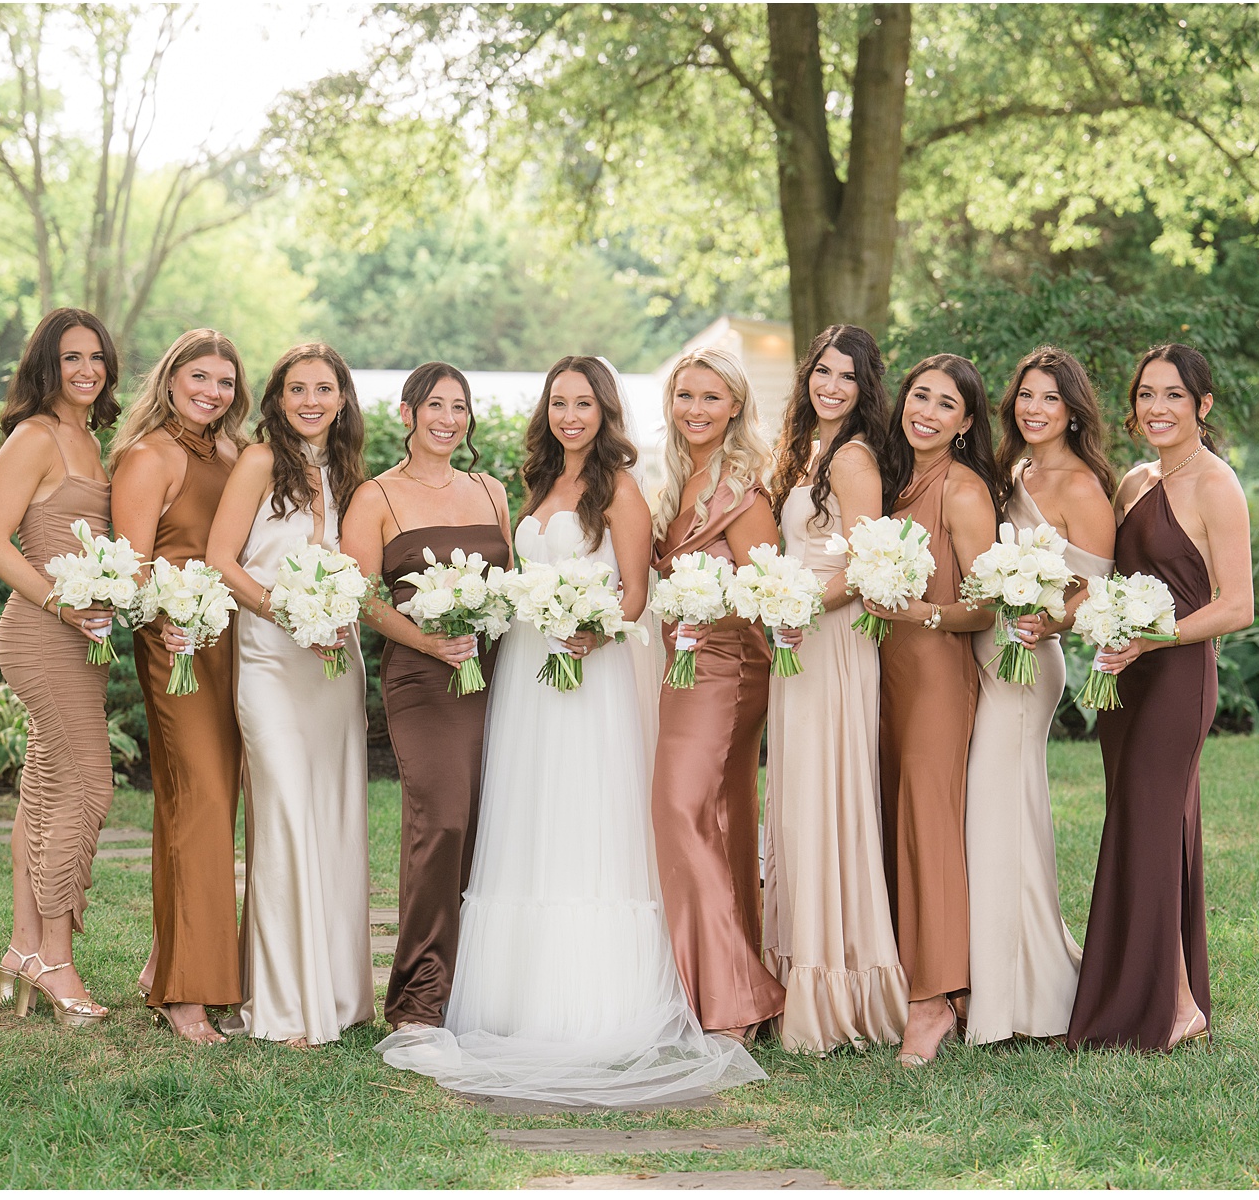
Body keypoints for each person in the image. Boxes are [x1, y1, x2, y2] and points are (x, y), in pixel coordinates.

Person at [376, 356, 763, 1106]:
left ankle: (600, 997)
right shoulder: (531, 485)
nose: (571, 415)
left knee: (589, 819)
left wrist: (592, 631)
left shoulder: (617, 486)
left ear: (606, 410)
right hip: (526, 669)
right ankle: (515, 996)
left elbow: (636, 590)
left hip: (591, 674)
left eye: (585, 403)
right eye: (560, 402)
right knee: (528, 819)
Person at [1068, 343, 1253, 1052]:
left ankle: (1176, 1004)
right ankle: (1141, 993)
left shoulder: (1217, 485)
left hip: (1176, 674)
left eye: (1174, 395)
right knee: (1142, 826)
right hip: (1124, 671)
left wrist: (1155, 639)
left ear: (1202, 405)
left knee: (1149, 825)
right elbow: (1110, 576)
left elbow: (1237, 605)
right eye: (1146, 394)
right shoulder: (1135, 481)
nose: (1157, 408)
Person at [205, 343, 372, 1047]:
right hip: (272, 655)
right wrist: (283, 611)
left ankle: (336, 993)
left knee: (333, 817)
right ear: (277, 397)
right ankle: (281, 1003)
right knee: (285, 814)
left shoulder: (350, 471)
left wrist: (336, 615)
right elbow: (219, 558)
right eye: (297, 388)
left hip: (335, 660)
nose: (310, 400)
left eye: (324, 388)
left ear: (342, 399)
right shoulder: (258, 461)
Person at [342, 362, 513, 1031]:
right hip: (422, 677)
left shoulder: (492, 489)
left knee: (490, 827)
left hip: (491, 671)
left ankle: (475, 987)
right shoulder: (376, 497)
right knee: (439, 821)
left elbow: (510, 585)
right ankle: (417, 996)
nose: (448, 417)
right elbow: (360, 597)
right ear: (407, 414)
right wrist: (427, 639)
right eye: (434, 404)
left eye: (459, 406)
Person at [761, 325, 909, 1056]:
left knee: (826, 799)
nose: (831, 385)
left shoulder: (852, 457)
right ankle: (792, 969)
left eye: (847, 376)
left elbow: (867, 566)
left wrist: (797, 608)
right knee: (794, 801)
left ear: (864, 388)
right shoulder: (801, 451)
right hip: (796, 643)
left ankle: (839, 984)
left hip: (834, 642)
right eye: (823, 370)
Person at [963, 346, 1115, 1046]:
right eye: (1026, 395)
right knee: (994, 816)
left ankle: (1032, 998)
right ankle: (999, 980)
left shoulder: (1081, 485)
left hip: (1030, 659)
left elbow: (1093, 591)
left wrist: (1047, 617)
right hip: (988, 648)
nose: (1034, 408)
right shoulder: (1011, 470)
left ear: (1072, 409)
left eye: (1050, 398)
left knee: (1005, 819)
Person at [0, 307, 121, 1026]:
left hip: (84, 640)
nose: (87, 369)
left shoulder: (92, 438)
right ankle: (57, 960)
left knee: (44, 788)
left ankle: (23, 947)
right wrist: (67, 606)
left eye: (96, 356)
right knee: (89, 785)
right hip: (41, 632)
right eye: (71, 358)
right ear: (46, 366)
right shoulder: (35, 437)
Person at [108, 328, 250, 1045]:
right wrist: (168, 619)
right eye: (200, 377)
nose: (212, 392)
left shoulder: (234, 453)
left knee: (200, 809)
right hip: (178, 645)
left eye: (224, 381)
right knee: (201, 799)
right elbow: (133, 569)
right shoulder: (148, 456)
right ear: (170, 379)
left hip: (235, 645)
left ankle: (168, 956)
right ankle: (187, 993)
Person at [864, 353, 1001, 1066]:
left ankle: (937, 996)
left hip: (937, 675)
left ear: (967, 422)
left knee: (929, 825)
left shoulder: (963, 490)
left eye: (946, 404)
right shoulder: (892, 480)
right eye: (920, 396)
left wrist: (920, 614)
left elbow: (983, 608)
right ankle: (903, 977)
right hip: (881, 674)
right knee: (892, 818)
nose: (927, 411)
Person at [648, 348, 785, 1044]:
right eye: (684, 396)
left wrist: (708, 609)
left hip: (728, 667)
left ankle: (735, 998)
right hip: (679, 665)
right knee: (717, 819)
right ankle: (726, 987)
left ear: (735, 406)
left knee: (677, 807)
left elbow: (763, 596)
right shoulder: (670, 480)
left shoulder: (745, 493)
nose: (695, 410)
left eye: (709, 397)